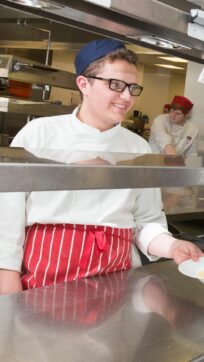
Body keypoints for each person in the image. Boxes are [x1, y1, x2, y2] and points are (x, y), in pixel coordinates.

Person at [0, 39, 203, 295]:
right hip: (45, 277)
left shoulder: (137, 148)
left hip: (116, 280)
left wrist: (172, 246)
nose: (127, 97)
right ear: (84, 83)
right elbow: (6, 218)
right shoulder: (39, 134)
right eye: (116, 85)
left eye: (132, 87)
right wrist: (7, 276)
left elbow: (146, 221)